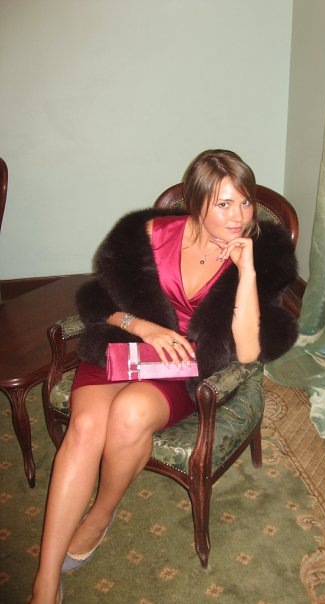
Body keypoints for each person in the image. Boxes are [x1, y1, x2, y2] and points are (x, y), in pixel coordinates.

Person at [31, 149, 298, 603]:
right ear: (195, 204)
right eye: (223, 204)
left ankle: (100, 514)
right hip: (126, 349)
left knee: (130, 414)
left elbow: (249, 350)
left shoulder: (261, 253)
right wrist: (142, 326)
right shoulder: (147, 236)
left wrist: (247, 271)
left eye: (245, 202)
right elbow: (97, 300)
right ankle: (44, 579)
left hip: (183, 369)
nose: (239, 216)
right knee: (86, 425)